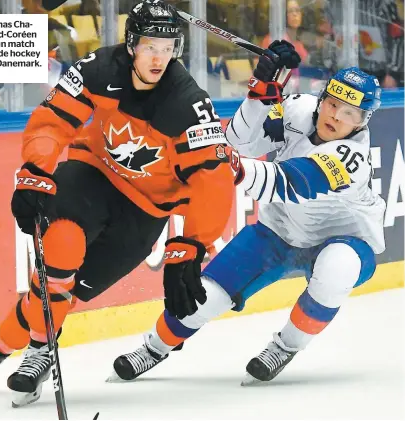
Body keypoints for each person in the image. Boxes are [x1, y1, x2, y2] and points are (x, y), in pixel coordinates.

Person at [0, 0, 236, 407]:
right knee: (60, 253)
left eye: (168, 49)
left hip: (146, 209)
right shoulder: (98, 68)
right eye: (151, 46)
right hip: (93, 174)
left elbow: (213, 179)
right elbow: (54, 120)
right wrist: (37, 170)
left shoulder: (187, 103)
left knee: (66, 291)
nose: (159, 58)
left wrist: (191, 246)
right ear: (131, 44)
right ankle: (31, 351)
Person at [110, 42, 386, 385]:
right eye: (332, 104)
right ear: (322, 99)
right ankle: (154, 348)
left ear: (363, 120)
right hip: (278, 231)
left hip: (345, 241)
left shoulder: (352, 156)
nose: (334, 116)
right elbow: (240, 141)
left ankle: (285, 346)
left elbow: (292, 182)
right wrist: (260, 91)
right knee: (204, 296)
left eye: (348, 113)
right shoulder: (299, 110)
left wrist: (236, 168)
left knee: (337, 268)